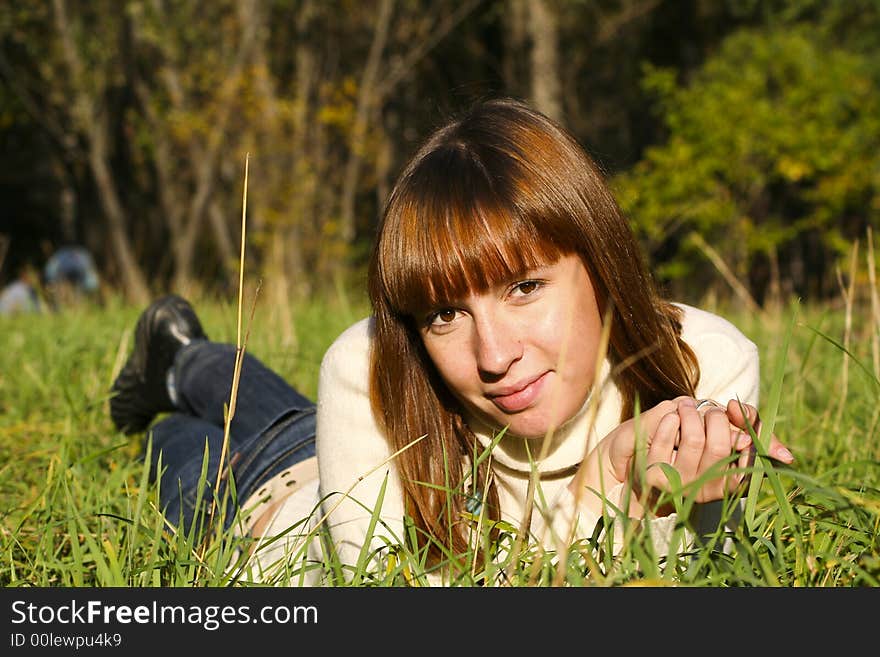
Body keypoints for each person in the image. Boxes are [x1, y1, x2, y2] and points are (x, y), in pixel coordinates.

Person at [109, 97, 794, 586]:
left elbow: (688, 583)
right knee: (193, 445)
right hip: (266, 506)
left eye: (524, 287)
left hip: (338, 451)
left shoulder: (704, 365)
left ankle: (179, 359)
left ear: (600, 259)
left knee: (251, 422)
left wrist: (618, 483)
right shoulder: (365, 363)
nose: (494, 356)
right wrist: (592, 496)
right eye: (443, 314)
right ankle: (179, 362)